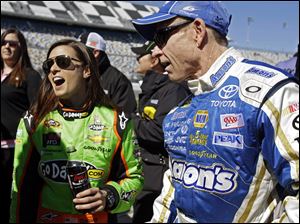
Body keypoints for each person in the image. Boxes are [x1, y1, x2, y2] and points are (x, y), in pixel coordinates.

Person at [132, 1, 299, 223]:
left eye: (161, 37)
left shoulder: (269, 92)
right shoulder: (177, 112)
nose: (157, 52)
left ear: (198, 31)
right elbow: (172, 195)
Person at [10, 39, 143, 223]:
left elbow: (134, 178)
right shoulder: (34, 121)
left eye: (63, 62)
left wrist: (109, 196)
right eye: (49, 65)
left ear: (86, 70)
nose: (54, 69)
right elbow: (21, 188)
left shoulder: (117, 121)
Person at [129, 41, 192, 223]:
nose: (137, 58)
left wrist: (131, 121)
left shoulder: (173, 89)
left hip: (157, 176)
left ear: (155, 59)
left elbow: (163, 132)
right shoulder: (153, 87)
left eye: (140, 54)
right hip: (145, 170)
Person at [1, 28, 41, 223]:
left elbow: (38, 112)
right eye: (3, 42)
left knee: (14, 205)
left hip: (14, 150)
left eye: (13, 43)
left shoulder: (30, 76)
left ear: (21, 48)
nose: (7, 46)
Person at [79, 32, 137, 114]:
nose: (76, 54)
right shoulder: (76, 73)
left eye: (81, 51)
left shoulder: (119, 81)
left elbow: (126, 116)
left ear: (95, 53)